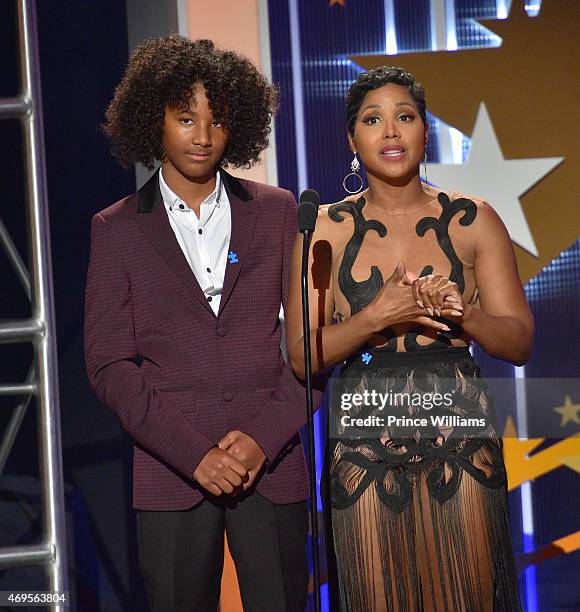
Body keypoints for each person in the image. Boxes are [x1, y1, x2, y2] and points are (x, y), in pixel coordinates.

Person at [286, 66, 533, 611]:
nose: (391, 132)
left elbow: (517, 341)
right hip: (365, 440)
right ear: (352, 140)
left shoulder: (473, 220)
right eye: (373, 120)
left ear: (426, 132)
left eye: (405, 117)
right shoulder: (322, 230)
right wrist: (377, 315)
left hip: (460, 436)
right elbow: (303, 356)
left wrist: (462, 313)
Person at [85, 35, 311, 611]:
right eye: (186, 119)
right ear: (152, 119)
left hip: (273, 464)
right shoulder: (115, 229)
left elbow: (312, 344)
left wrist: (264, 438)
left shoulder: (278, 210)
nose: (203, 137)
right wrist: (194, 454)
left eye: (217, 121)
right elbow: (110, 364)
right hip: (171, 473)